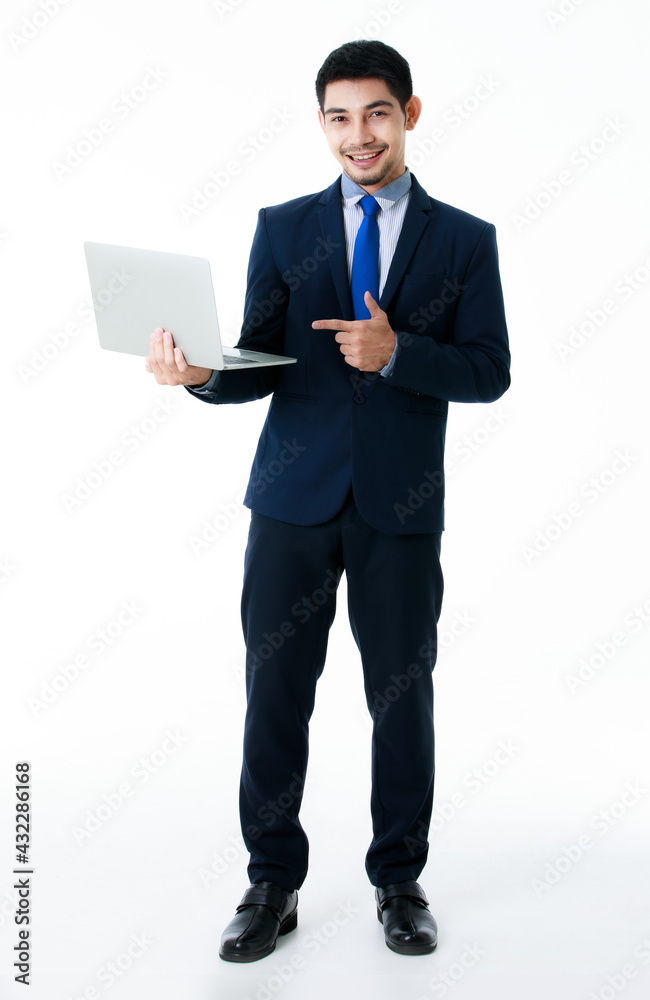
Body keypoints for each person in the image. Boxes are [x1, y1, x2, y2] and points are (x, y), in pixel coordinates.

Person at [145, 39, 510, 961]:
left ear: (409, 115)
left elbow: (491, 373)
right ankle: (271, 882)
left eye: (377, 113)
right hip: (290, 503)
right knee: (273, 693)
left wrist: (402, 355)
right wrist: (197, 374)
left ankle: (398, 881)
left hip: (399, 507)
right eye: (340, 117)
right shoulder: (284, 226)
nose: (359, 134)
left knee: (401, 698)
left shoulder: (465, 238)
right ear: (322, 125)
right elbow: (260, 355)